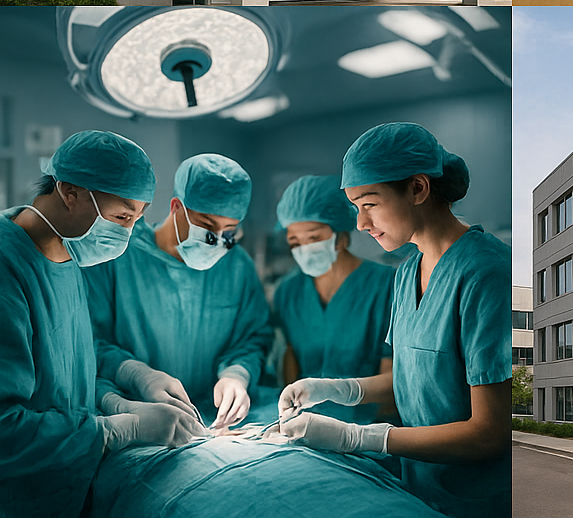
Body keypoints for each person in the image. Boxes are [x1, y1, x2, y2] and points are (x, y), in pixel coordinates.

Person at [279, 123, 512, 518]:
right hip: (418, 487)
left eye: (369, 204)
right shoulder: (407, 273)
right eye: (355, 208)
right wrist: (335, 390)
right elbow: (412, 380)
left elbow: (489, 432)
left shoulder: (487, 273)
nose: (360, 224)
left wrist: (362, 437)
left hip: (479, 497)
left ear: (418, 188)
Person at [1, 131, 203, 518]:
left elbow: (66, 364)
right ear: (69, 191)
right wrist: (116, 429)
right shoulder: (7, 266)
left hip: (66, 488)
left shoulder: (66, 253)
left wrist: (129, 384)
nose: (126, 234)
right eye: (121, 216)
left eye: (137, 219)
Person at [87, 153, 273, 431]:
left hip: (216, 416)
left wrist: (237, 375)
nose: (218, 241)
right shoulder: (118, 256)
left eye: (230, 232)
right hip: (139, 416)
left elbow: (253, 337)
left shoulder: (236, 265)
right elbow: (90, 340)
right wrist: (137, 375)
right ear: (176, 208)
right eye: (208, 227)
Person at [272, 173, 394, 423]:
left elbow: (394, 375)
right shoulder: (289, 291)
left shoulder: (386, 285)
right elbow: (292, 355)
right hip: (306, 420)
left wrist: (360, 433)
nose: (303, 249)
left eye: (314, 238)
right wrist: (291, 415)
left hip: (369, 424)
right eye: (294, 241)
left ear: (341, 236)